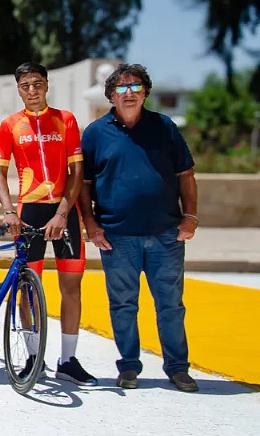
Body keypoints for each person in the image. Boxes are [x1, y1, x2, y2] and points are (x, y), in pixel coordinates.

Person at [78, 63, 200, 393]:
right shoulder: (95, 133)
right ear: (111, 96)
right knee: (123, 306)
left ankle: (178, 368)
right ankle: (129, 366)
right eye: (121, 88)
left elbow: (186, 175)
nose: (128, 93)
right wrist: (91, 224)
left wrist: (190, 217)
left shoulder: (164, 127)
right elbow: (83, 184)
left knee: (171, 306)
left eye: (135, 86)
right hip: (116, 237)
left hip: (166, 234)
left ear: (145, 92)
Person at [0, 62, 98, 386]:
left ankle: (68, 360)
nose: (32, 90)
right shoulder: (10, 125)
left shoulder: (66, 120)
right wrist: (9, 211)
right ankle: (32, 357)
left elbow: (77, 172)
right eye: (25, 85)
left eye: (37, 83)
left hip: (64, 212)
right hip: (29, 212)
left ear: (47, 85)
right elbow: (0, 173)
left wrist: (62, 214)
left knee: (72, 287)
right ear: (18, 89)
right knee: (27, 288)